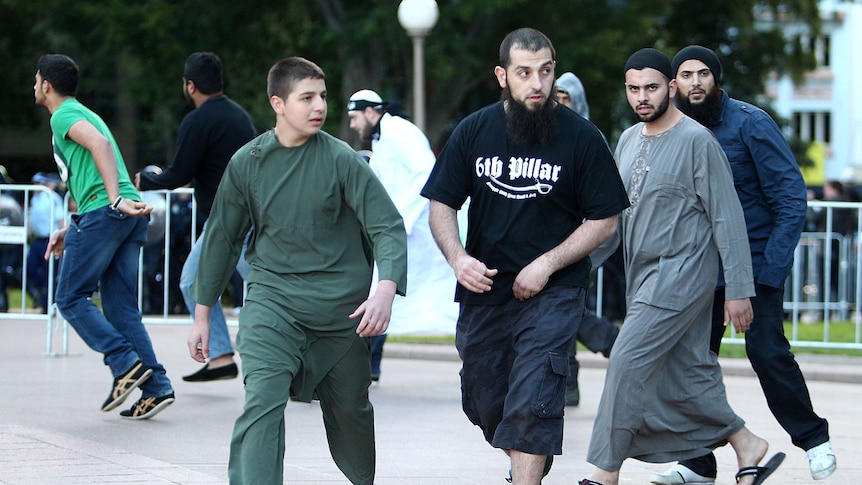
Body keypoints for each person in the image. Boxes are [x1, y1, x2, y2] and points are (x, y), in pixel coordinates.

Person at [421, 28, 629, 485]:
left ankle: (526, 475)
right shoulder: (474, 130)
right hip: (484, 292)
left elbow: (605, 219)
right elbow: (441, 203)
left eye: (546, 71)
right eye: (524, 73)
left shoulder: (582, 137)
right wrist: (458, 258)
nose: (537, 83)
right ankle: (523, 462)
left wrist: (547, 264)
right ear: (502, 76)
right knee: (485, 398)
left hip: (554, 293)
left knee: (535, 395)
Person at [187, 56, 407, 485]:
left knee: (351, 414)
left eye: (322, 96)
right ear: (278, 103)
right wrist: (201, 315)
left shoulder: (343, 160)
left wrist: (384, 289)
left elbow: (387, 226)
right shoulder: (247, 163)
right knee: (261, 403)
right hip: (273, 304)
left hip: (341, 315)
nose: (318, 106)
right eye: (306, 97)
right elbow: (222, 239)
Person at [580, 48, 784, 485]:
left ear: (670, 87)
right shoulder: (628, 139)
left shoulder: (697, 140)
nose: (642, 97)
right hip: (643, 278)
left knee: (626, 360)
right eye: (633, 89)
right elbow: (611, 220)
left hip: (684, 274)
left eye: (651, 87)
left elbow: (727, 217)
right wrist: (572, 267)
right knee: (688, 373)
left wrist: (738, 289)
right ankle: (746, 443)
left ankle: (603, 472)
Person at [648, 45, 836, 485]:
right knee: (691, 363)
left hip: (752, 266)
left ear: (716, 79)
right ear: (674, 84)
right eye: (686, 76)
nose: (695, 83)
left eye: (703, 75)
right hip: (695, 270)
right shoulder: (671, 130)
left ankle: (814, 439)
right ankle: (698, 462)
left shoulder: (751, 124)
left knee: (767, 353)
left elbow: (790, 199)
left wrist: (768, 273)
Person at [35, 54, 174, 419]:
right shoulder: (83, 111)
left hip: (109, 210)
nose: (35, 87)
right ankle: (156, 386)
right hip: (122, 214)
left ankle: (124, 362)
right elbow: (90, 168)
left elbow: (101, 146)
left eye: (36, 80)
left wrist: (112, 201)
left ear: (46, 84)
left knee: (69, 297)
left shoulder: (62, 114)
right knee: (120, 306)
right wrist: (72, 226)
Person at [136, 52, 257, 382]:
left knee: (270, 286)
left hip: (234, 222)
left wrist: (142, 181)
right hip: (235, 219)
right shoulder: (238, 116)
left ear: (190, 85)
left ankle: (304, 362)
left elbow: (178, 174)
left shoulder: (198, 120)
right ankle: (219, 358)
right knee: (193, 281)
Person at [346, 89, 459, 383]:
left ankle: (365, 365)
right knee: (381, 295)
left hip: (415, 233)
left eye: (355, 117)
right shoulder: (386, 137)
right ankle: (368, 365)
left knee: (393, 295)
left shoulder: (398, 131)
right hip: (404, 232)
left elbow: (426, 174)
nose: (353, 126)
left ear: (371, 112)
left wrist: (398, 224)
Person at [554, 71, 620, 406]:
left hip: (585, 238)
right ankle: (568, 383)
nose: (561, 105)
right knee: (563, 308)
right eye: (557, 98)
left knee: (564, 306)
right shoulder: (547, 134)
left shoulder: (590, 138)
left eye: (567, 99)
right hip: (552, 242)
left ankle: (614, 343)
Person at [27, 171, 65, 312]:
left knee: (49, 274)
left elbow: (60, 219)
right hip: (37, 241)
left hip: (50, 240)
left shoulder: (52, 198)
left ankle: (48, 305)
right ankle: (41, 298)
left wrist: (61, 237)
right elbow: (33, 218)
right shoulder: (34, 199)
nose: (35, 186)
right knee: (31, 269)